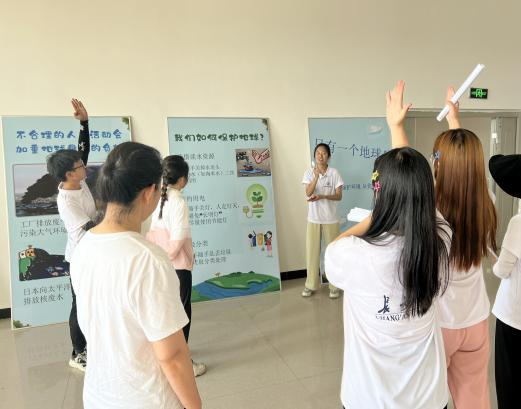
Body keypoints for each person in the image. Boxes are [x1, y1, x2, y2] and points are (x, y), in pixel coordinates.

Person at [386, 80, 497, 409]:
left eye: (436, 157)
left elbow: (408, 180)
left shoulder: (432, 210)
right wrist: (454, 120)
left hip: (440, 325)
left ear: (439, 163)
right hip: (476, 322)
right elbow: (463, 165)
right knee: (475, 400)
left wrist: (396, 128)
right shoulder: (486, 203)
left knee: (429, 402)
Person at [70, 142, 202, 409]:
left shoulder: (83, 246)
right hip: (147, 399)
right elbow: (172, 356)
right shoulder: (148, 259)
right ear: (149, 192)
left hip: (97, 397)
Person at [325, 147, 450, 409]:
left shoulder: (352, 254)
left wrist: (377, 215)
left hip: (366, 399)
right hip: (428, 398)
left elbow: (333, 248)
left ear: (379, 193)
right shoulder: (440, 244)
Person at [46, 99, 95, 371]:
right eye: (79, 166)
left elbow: (83, 149)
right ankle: (78, 353)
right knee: (80, 304)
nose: (84, 167)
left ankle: (93, 345)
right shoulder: (66, 201)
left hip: (94, 252)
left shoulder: (79, 180)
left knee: (93, 302)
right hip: (80, 258)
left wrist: (84, 123)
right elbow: (90, 227)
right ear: (68, 174)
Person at [147, 155, 206, 377]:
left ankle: (168, 356)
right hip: (177, 266)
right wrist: (170, 256)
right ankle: (183, 362)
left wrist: (160, 258)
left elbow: (152, 234)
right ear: (182, 179)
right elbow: (178, 239)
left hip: (160, 265)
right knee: (181, 314)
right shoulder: (178, 201)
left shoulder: (157, 198)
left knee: (167, 313)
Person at [489, 154, 521, 409]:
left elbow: (502, 270)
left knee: (509, 381)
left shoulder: (518, 223)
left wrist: (494, 262)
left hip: (513, 315)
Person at [301, 143, 344, 299]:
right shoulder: (308, 173)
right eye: (318, 153)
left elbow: (339, 196)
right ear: (315, 155)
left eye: (324, 153)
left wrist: (323, 196)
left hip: (331, 219)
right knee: (312, 252)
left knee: (333, 253)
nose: (321, 156)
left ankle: (334, 286)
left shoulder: (334, 173)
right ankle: (310, 285)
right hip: (313, 219)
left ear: (329, 156)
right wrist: (316, 177)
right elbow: (308, 193)